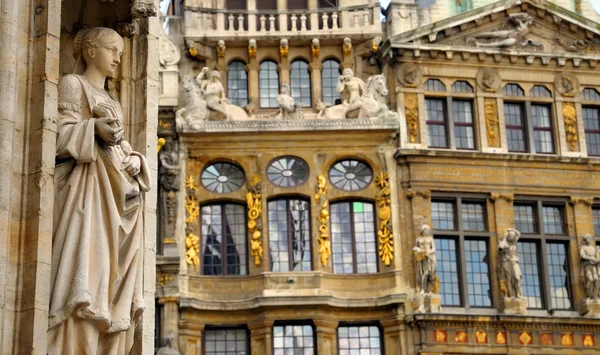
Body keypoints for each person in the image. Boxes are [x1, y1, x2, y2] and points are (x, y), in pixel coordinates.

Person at [48, 27, 151, 355]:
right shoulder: (72, 84)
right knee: (86, 272)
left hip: (119, 194)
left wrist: (135, 160)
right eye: (112, 49)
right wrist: (93, 129)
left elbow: (122, 146)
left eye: (121, 52)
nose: (119, 58)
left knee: (111, 277)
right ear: (90, 51)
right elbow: (56, 136)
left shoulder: (114, 100)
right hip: (86, 191)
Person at [498, 228, 523, 298]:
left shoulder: (514, 243)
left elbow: (518, 234)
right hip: (506, 261)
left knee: (517, 277)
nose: (512, 237)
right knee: (508, 279)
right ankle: (511, 295)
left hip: (514, 262)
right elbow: (500, 247)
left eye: (513, 236)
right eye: (510, 236)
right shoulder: (503, 242)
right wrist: (505, 237)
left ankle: (518, 294)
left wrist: (511, 229)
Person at [413, 225, 437, 294]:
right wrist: (419, 250)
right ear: (423, 230)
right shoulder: (418, 239)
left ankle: (429, 289)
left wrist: (428, 252)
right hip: (422, 258)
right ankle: (423, 289)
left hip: (430, 257)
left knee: (430, 274)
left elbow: (434, 248)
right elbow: (415, 248)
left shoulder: (430, 239)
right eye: (427, 230)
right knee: (423, 273)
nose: (428, 231)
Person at [580, 234, 600, 300]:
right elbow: (583, 255)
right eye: (588, 238)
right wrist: (591, 258)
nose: (589, 240)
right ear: (585, 240)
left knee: (596, 280)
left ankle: (594, 295)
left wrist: (597, 260)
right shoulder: (583, 247)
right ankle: (588, 294)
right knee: (590, 279)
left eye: (590, 238)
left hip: (594, 266)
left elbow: (597, 256)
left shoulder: (594, 248)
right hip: (587, 265)